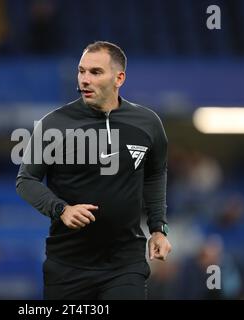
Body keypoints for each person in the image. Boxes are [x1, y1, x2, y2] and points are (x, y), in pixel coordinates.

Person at [16, 41, 171, 300]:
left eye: (95, 72)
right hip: (67, 267)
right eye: (81, 71)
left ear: (119, 78)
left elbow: (155, 174)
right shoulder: (54, 124)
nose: (84, 80)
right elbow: (26, 180)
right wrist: (61, 210)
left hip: (125, 264)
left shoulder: (148, 123)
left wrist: (158, 228)